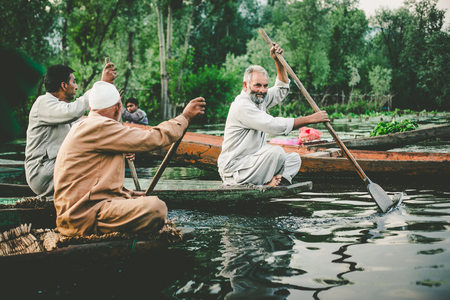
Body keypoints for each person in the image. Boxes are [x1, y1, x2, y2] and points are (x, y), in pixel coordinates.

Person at [53, 81, 206, 237]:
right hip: (83, 217)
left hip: (76, 214)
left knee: (141, 200)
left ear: (91, 108)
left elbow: (95, 179)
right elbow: (151, 138)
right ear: (118, 108)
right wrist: (185, 117)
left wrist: (126, 193)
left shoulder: (84, 125)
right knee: (156, 208)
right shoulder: (100, 126)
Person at [217, 43, 330, 187]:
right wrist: (310, 119)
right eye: (257, 85)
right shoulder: (242, 106)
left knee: (294, 159)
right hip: (235, 169)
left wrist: (278, 62)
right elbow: (273, 126)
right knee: (277, 151)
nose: (263, 90)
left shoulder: (259, 99)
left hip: (254, 163)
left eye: (265, 85)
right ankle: (265, 183)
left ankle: (275, 183)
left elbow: (281, 89)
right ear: (245, 86)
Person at [25, 63, 117, 199]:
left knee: (100, 153)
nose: (76, 86)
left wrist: (119, 144)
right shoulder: (43, 103)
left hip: (56, 167)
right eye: (73, 82)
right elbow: (74, 111)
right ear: (63, 86)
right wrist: (102, 84)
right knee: (93, 160)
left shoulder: (62, 109)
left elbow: (87, 128)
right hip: (41, 171)